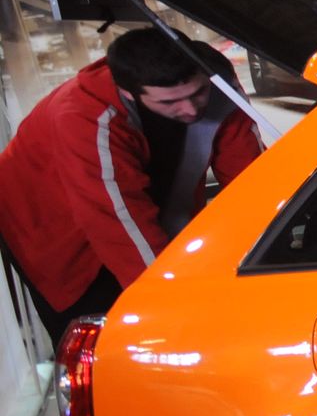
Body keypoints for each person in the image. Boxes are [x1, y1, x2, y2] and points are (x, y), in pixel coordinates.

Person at [0, 27, 262, 339]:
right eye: (171, 102)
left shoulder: (217, 81)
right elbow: (116, 221)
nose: (191, 109)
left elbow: (252, 179)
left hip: (132, 207)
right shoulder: (83, 115)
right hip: (52, 230)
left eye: (198, 93)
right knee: (105, 337)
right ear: (128, 93)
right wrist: (174, 306)